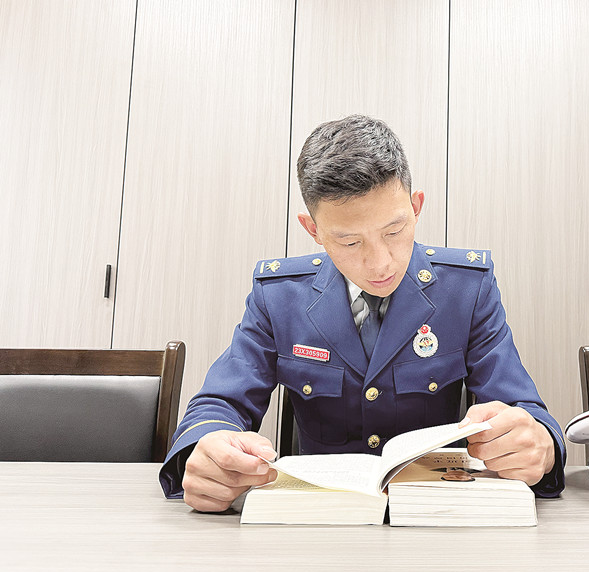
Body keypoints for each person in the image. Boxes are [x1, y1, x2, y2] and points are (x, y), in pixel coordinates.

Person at [159, 115, 566, 512]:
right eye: (350, 242)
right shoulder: (279, 297)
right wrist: (207, 449)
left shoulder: (466, 290)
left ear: (416, 206)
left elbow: (524, 409)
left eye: (394, 231)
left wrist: (539, 445)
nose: (380, 263)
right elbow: (219, 403)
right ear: (313, 230)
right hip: (321, 518)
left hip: (436, 514)